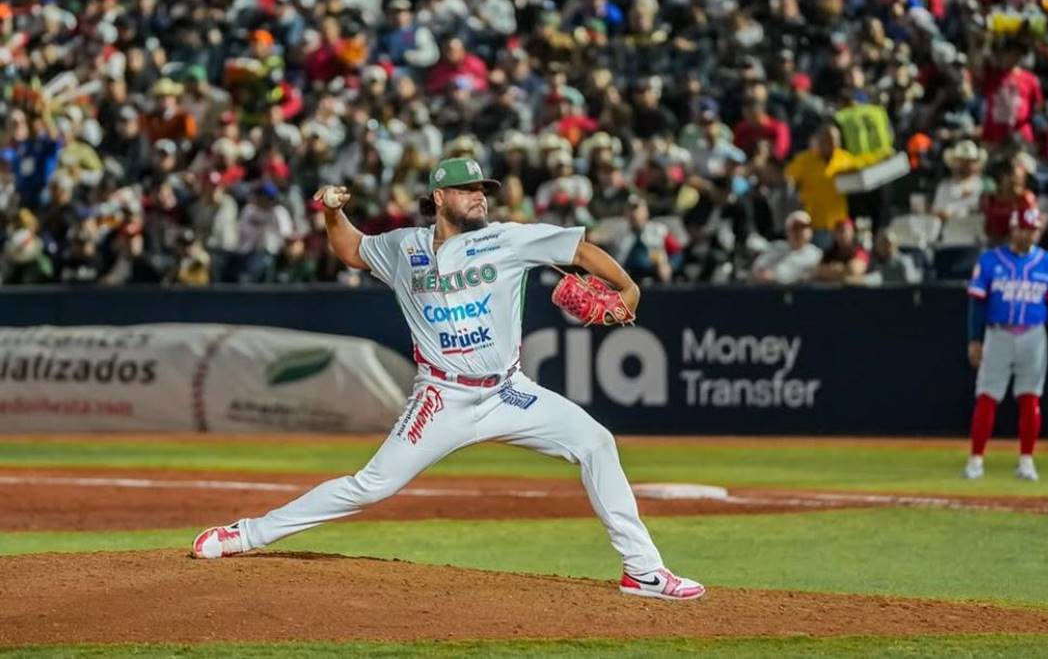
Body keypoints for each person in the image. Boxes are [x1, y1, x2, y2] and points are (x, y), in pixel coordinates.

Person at [191, 157, 705, 601]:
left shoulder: (508, 239)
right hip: (441, 396)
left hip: (509, 391)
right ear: (440, 197)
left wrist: (629, 288)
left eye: (483, 190)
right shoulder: (402, 248)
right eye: (468, 190)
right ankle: (247, 535)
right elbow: (351, 250)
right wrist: (332, 212)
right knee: (369, 486)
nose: (480, 198)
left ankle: (643, 572)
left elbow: (580, 250)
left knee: (596, 441)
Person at [964, 207, 1048, 482]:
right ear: (1013, 229)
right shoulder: (991, 260)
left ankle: (1026, 460)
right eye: (1023, 229)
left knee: (1030, 397)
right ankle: (976, 459)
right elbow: (976, 303)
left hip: (1033, 334)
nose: (1028, 235)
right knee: (987, 395)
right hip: (998, 332)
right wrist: (974, 338)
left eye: (1032, 230)